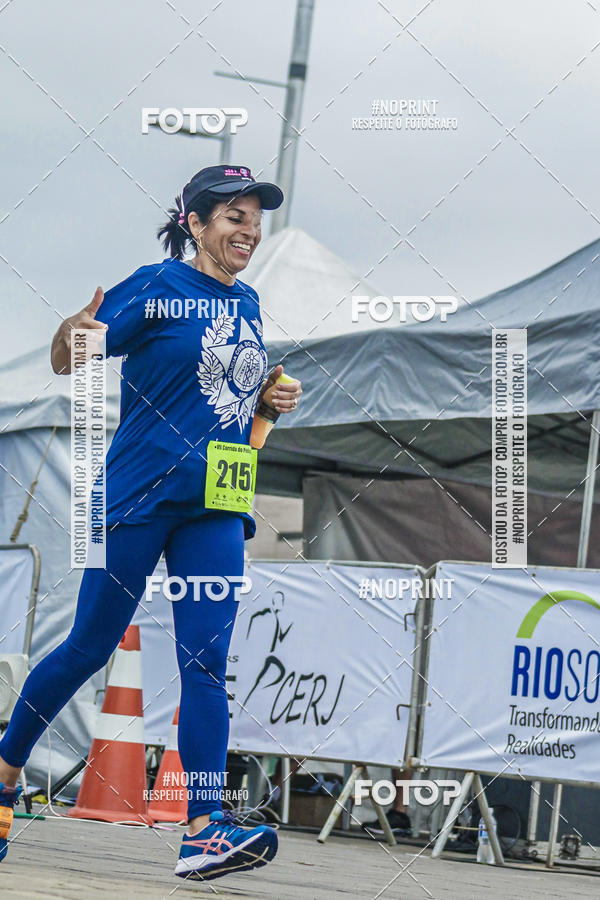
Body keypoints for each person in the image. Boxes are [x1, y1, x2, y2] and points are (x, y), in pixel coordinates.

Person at [0, 164, 303, 882]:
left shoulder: (251, 302)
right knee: (86, 648)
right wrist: (73, 330)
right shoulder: (158, 288)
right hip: (137, 500)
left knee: (206, 664)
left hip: (217, 509)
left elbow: (234, 416)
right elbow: (68, 359)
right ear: (194, 224)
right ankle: (5, 777)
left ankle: (203, 829)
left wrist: (267, 405)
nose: (249, 230)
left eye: (255, 217)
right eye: (232, 216)